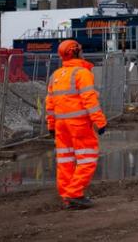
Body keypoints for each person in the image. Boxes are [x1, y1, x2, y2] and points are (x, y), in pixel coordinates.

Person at [45, 39, 107, 209]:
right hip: (78, 125)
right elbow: (90, 100)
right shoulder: (82, 73)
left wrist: (51, 125)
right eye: (80, 49)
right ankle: (74, 193)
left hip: (60, 126)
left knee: (65, 161)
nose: (82, 51)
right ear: (75, 52)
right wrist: (100, 122)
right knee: (87, 159)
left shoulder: (55, 75)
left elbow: (49, 104)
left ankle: (67, 195)